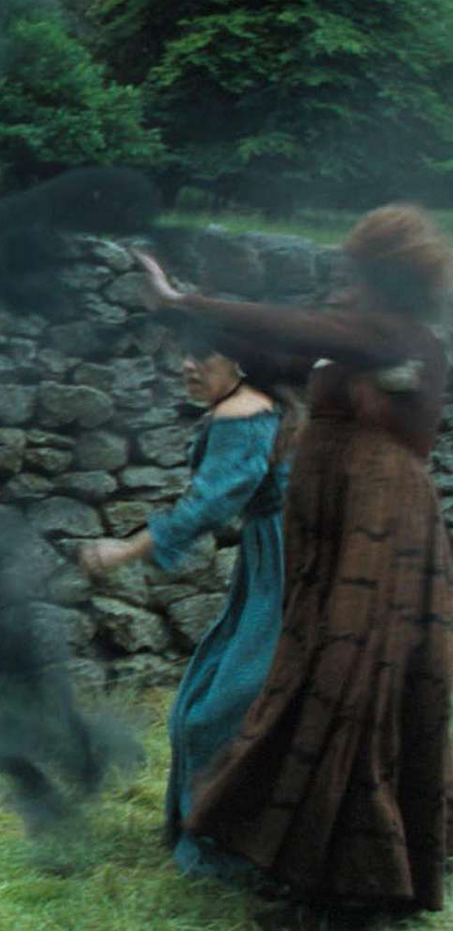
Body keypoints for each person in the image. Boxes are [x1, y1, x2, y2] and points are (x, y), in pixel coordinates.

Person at [134, 204, 453, 920]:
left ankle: (361, 890)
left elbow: (300, 330)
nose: (341, 284)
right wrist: (183, 315)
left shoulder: (400, 338)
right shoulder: (353, 344)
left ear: (385, 279)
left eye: (355, 273)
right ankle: (310, 872)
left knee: (352, 685)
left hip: (380, 530)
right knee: (313, 682)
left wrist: (181, 300)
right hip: (336, 528)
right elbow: (270, 349)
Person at [79, 336, 289, 880]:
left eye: (202, 356)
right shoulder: (246, 408)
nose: (188, 367)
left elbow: (209, 504)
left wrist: (125, 549)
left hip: (292, 568)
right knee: (205, 698)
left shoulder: (244, 416)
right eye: (184, 355)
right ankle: (223, 832)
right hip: (270, 562)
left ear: (238, 359)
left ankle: (239, 846)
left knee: (219, 711)